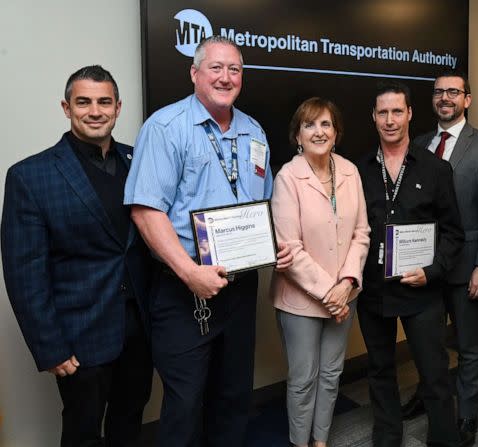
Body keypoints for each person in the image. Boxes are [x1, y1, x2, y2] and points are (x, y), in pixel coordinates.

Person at [123, 36, 293, 446]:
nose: (225, 77)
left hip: (239, 288)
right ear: (194, 73)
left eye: (234, 69)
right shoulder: (165, 128)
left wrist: (276, 244)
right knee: (185, 405)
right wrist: (188, 273)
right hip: (185, 292)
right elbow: (146, 211)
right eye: (215, 68)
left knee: (234, 397)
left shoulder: (253, 130)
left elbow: (262, 203)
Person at [1, 65, 153, 447]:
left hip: (141, 328)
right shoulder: (30, 176)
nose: (95, 111)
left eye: (104, 102)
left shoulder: (140, 161)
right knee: (83, 430)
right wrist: (49, 345)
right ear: (66, 108)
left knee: (130, 419)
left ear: (118, 108)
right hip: (80, 336)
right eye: (83, 102)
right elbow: (24, 272)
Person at [357, 81, 465, 447]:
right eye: (383, 113)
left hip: (422, 288)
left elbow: (453, 234)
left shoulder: (436, 170)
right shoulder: (358, 171)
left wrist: (432, 271)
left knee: (434, 373)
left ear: (410, 115)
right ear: (374, 117)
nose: (390, 120)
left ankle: (443, 439)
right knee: (380, 370)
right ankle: (387, 435)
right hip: (374, 291)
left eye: (397, 112)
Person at [402, 70, 478, 444]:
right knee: (427, 342)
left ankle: (465, 414)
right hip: (425, 268)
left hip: (466, 268)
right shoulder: (418, 143)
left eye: (453, 92)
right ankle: (428, 395)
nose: (445, 97)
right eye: (438, 92)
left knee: (469, 345)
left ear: (468, 99)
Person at [271, 97, 370, 447]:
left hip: (345, 295)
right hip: (301, 299)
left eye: (326, 124)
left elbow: (362, 233)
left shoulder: (349, 171)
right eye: (309, 125)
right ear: (297, 135)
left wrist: (347, 284)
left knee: (331, 374)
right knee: (304, 379)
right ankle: (300, 443)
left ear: (336, 132)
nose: (318, 131)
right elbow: (289, 248)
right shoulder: (287, 177)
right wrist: (333, 293)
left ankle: (321, 441)